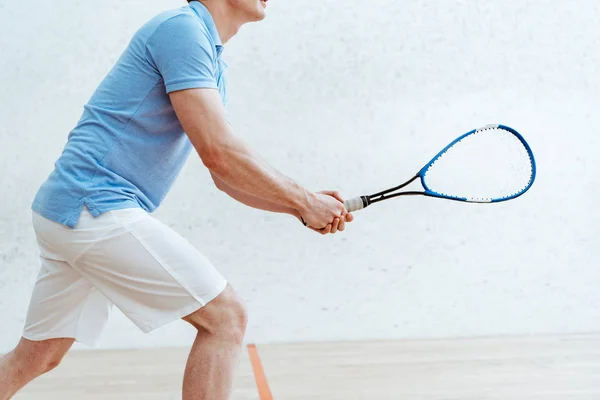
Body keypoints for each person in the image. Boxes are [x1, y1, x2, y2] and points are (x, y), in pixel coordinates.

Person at [0, 1, 353, 399]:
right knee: (225, 317)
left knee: (37, 358)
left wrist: (299, 208)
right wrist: (305, 200)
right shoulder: (182, 31)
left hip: (70, 211)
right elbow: (219, 151)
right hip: (93, 206)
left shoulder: (205, 50)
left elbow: (224, 176)